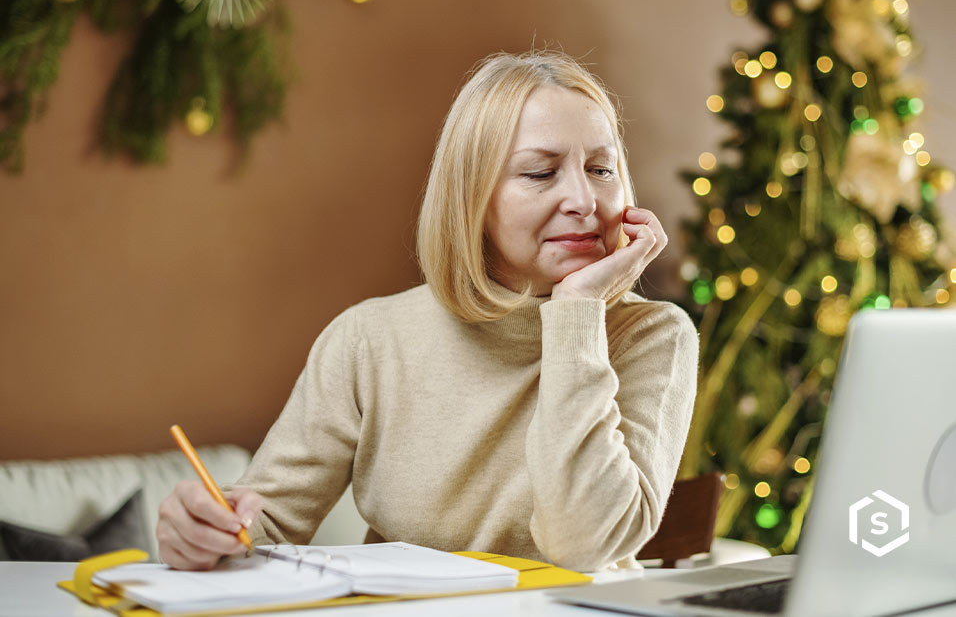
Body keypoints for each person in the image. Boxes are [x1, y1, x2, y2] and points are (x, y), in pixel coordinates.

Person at [156, 50, 699, 573]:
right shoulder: (368, 339)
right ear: (471, 196)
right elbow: (264, 528)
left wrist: (577, 314)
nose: (584, 200)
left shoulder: (652, 336)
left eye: (602, 169)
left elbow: (585, 544)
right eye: (540, 173)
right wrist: (206, 533)